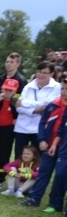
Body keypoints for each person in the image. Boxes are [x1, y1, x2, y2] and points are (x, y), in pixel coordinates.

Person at [20, 77, 67, 208]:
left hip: (63, 147)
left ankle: (55, 203)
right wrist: (41, 140)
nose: (64, 91)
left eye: (66, 89)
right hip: (48, 144)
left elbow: (63, 129)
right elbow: (42, 123)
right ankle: (35, 198)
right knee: (43, 172)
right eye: (62, 88)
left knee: (60, 176)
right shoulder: (53, 105)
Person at [13, 62, 60, 159]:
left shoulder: (56, 87)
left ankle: (35, 174)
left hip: (40, 128)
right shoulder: (28, 86)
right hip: (22, 127)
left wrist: (25, 103)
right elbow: (18, 106)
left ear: (51, 74)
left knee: (38, 157)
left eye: (45, 73)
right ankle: (18, 174)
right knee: (19, 156)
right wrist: (34, 111)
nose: (41, 75)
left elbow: (48, 104)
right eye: (39, 72)